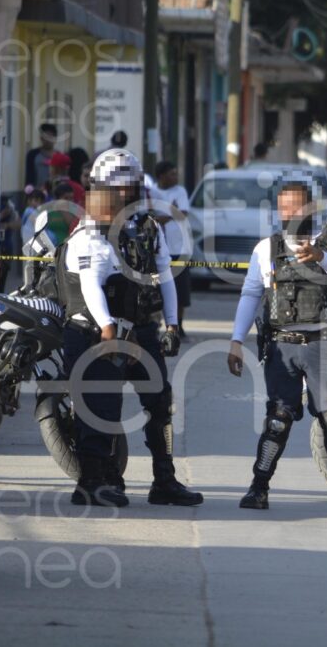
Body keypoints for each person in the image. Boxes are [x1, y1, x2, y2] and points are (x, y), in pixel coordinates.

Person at [57, 148, 202, 508]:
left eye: (131, 186)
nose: (127, 194)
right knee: (102, 410)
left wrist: (171, 323)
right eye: (118, 188)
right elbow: (91, 285)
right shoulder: (89, 234)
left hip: (137, 329)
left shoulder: (146, 227)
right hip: (94, 334)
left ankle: (164, 480)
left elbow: (165, 274)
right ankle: (93, 482)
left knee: (160, 403)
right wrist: (107, 327)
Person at [226, 178, 327, 514]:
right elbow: (251, 294)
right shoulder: (266, 248)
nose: (289, 212)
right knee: (278, 418)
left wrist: (321, 257)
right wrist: (235, 340)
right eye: (283, 206)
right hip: (281, 346)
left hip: (323, 343)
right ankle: (258, 488)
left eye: (296, 206)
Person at [147, 161, 192, 338]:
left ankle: (178, 325)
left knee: (181, 290)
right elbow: (151, 217)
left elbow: (183, 213)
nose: (175, 177)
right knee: (158, 287)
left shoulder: (180, 191)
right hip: (159, 248)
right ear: (161, 176)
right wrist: (171, 211)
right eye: (171, 174)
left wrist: (162, 216)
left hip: (180, 247)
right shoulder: (153, 192)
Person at [25, 123, 57, 189]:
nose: (47, 140)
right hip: (37, 193)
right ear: (41, 138)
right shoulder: (33, 155)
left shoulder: (59, 156)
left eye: (50, 137)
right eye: (45, 137)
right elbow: (29, 177)